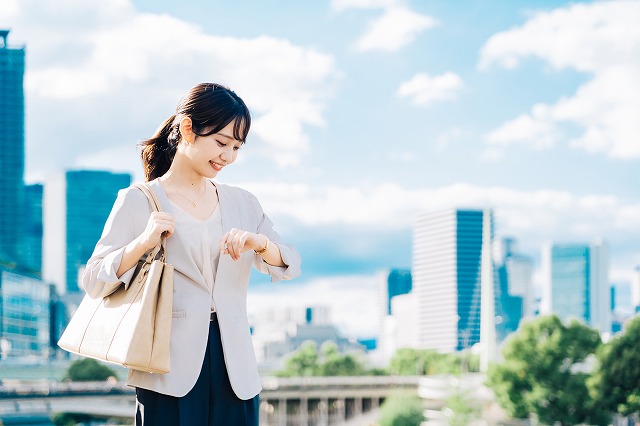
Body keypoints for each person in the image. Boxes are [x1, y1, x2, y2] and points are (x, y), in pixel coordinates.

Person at [80, 83, 302, 425]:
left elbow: (290, 264)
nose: (228, 156)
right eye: (221, 143)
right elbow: (93, 279)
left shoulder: (243, 202)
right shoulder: (139, 200)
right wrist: (142, 242)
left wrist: (259, 244)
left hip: (236, 369)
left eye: (236, 147)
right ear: (187, 129)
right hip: (166, 367)